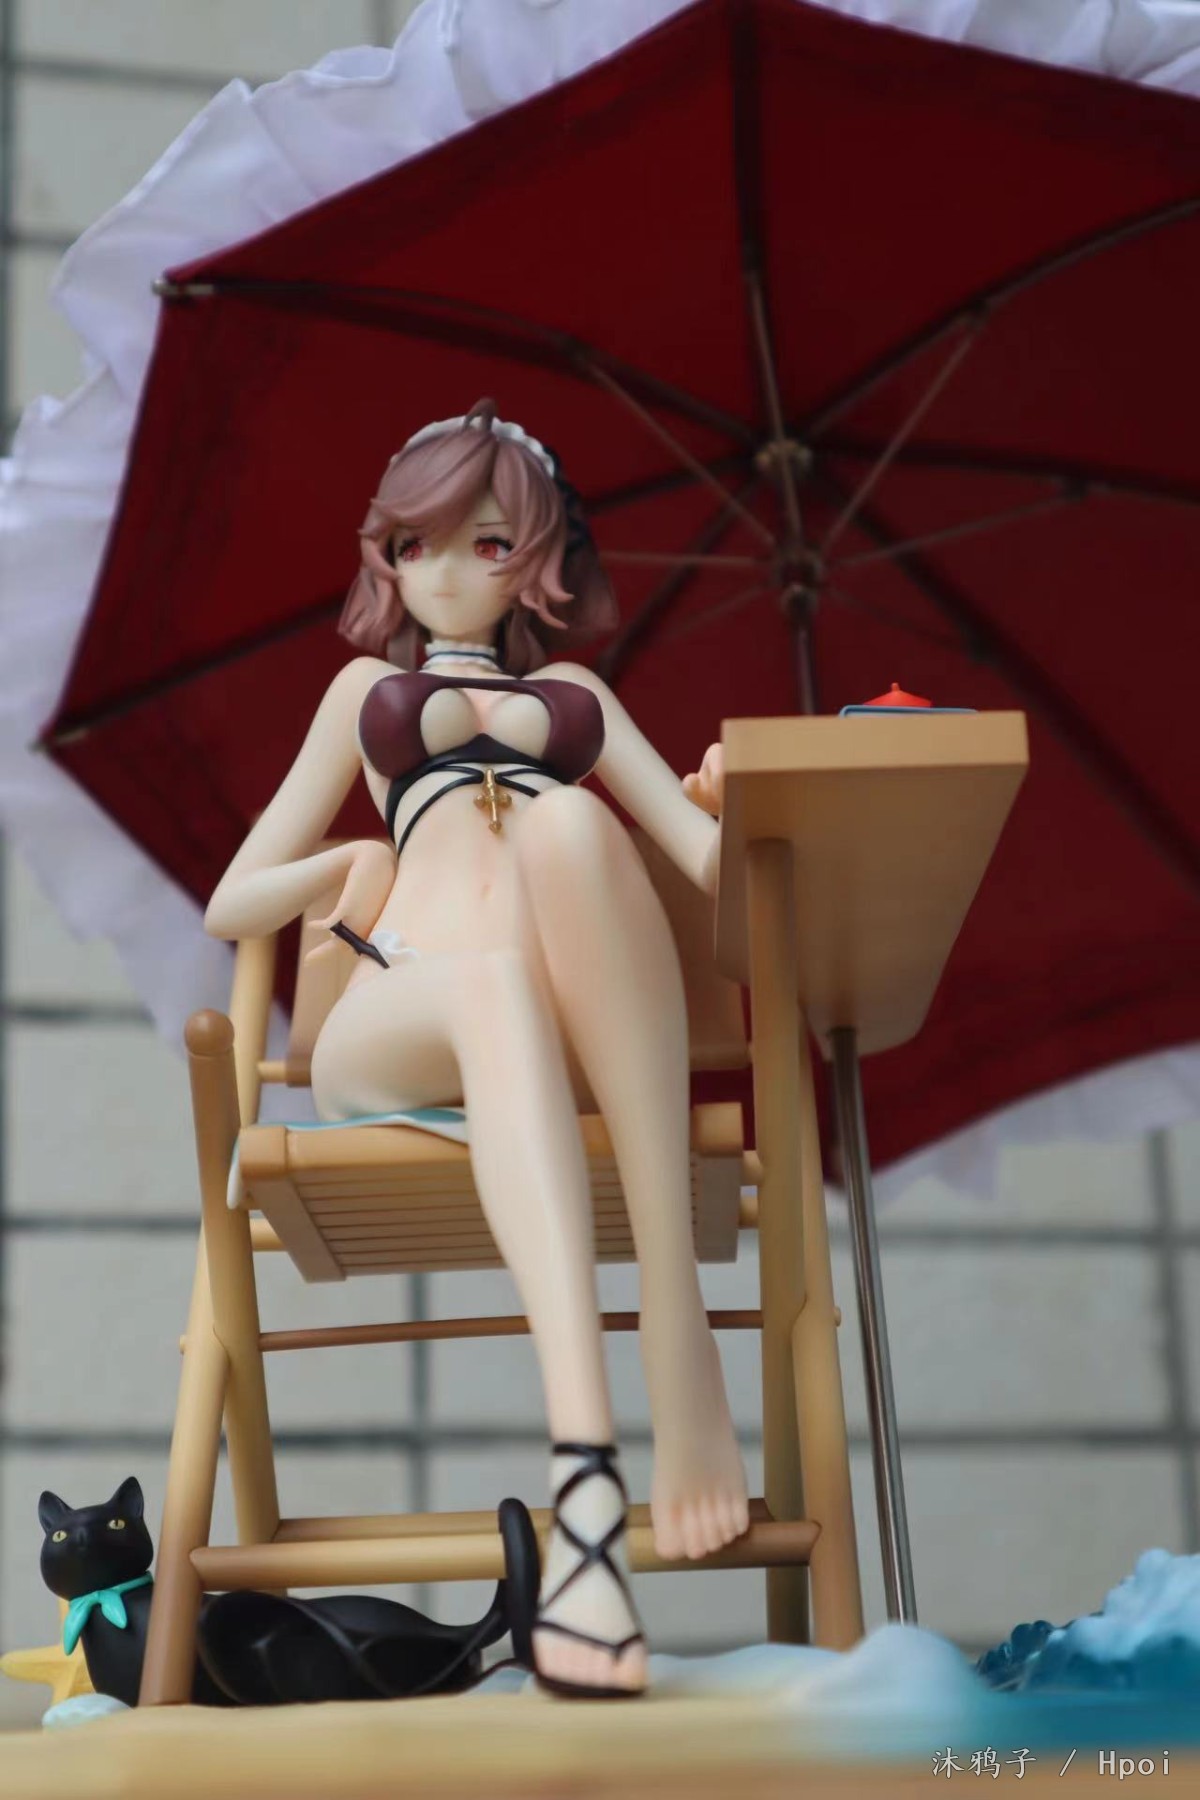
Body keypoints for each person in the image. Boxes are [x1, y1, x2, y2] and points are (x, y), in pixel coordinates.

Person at [205, 400, 746, 1700]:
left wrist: (744, 802)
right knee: (493, 973)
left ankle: (667, 1329)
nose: (446, 573)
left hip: (553, 1032)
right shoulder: (363, 694)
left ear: (538, 561)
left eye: (488, 544)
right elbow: (234, 900)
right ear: (388, 557)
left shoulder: (579, 699)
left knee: (574, 830)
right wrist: (346, 863)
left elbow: (709, 865)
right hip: (397, 1014)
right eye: (417, 544)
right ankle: (594, 1478)